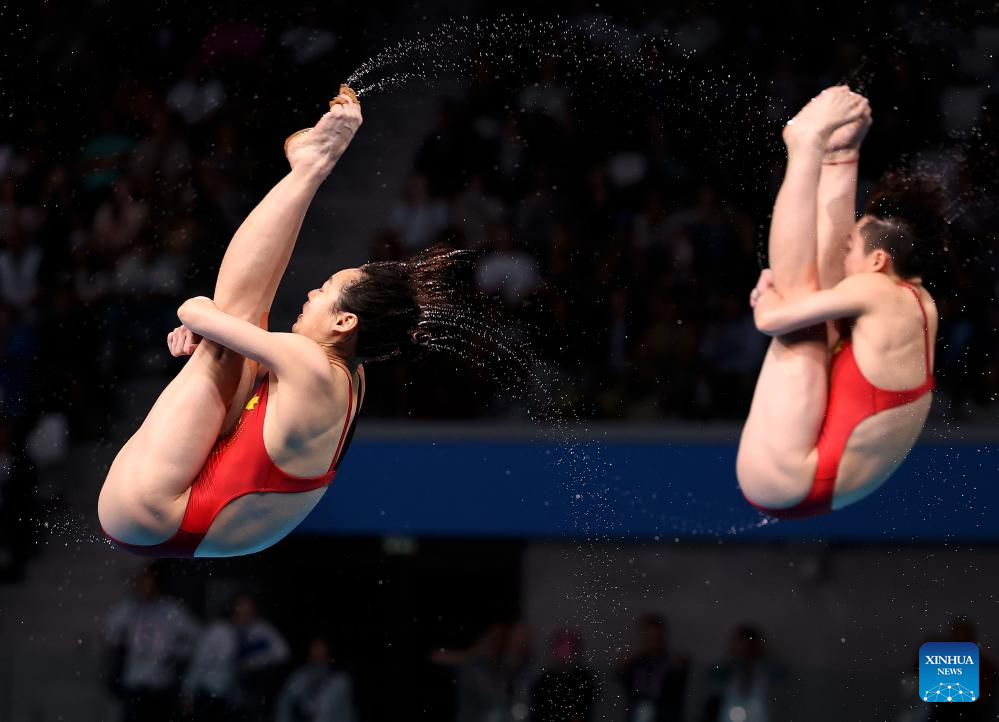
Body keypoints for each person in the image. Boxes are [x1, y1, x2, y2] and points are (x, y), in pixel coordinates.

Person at [97, 89, 452, 557]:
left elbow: (194, 310)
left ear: (346, 321)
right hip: (185, 522)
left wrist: (205, 323)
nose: (311, 293)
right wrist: (211, 332)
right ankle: (308, 169)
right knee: (234, 336)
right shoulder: (351, 376)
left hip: (154, 511)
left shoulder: (308, 361)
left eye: (325, 290)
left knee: (234, 325)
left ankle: (311, 168)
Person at [737, 86, 939, 517]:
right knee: (818, 309)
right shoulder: (916, 303)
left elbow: (772, 320)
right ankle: (839, 156)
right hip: (815, 484)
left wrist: (769, 297)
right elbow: (825, 285)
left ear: (880, 259)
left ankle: (806, 147)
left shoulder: (876, 290)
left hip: (792, 476)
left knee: (802, 319)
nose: (843, 254)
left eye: (852, 248)